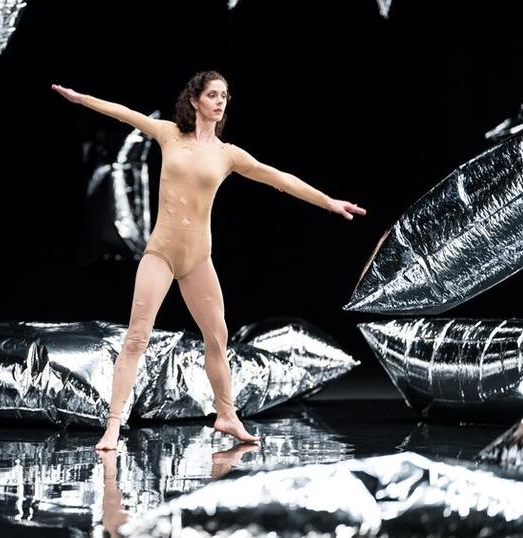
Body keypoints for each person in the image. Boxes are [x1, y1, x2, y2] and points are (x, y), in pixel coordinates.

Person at [51, 71, 366, 451]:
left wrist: (329, 202)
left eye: (225, 96)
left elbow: (280, 178)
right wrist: (82, 98)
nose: (220, 102)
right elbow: (125, 113)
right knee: (137, 338)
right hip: (162, 253)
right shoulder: (170, 134)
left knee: (218, 337)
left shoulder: (227, 154)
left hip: (199, 258)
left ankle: (227, 415)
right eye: (213, 95)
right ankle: (113, 426)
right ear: (194, 100)